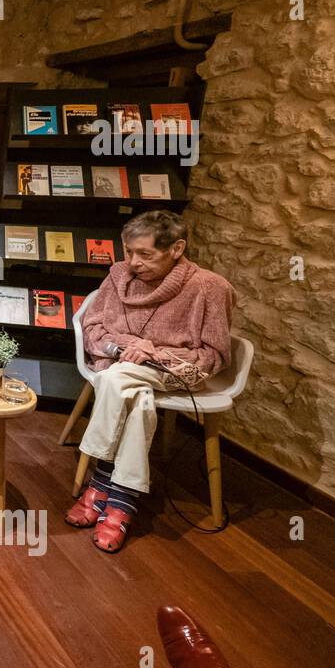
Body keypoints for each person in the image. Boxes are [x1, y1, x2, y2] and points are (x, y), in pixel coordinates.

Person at [68, 210, 235, 553]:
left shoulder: (209, 287)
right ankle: (121, 500)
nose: (133, 262)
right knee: (136, 396)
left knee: (117, 380)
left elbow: (215, 356)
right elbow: (93, 328)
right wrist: (128, 347)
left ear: (177, 248)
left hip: (173, 371)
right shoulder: (118, 275)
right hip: (123, 365)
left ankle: (100, 478)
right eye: (129, 251)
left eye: (145, 254)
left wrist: (154, 354)